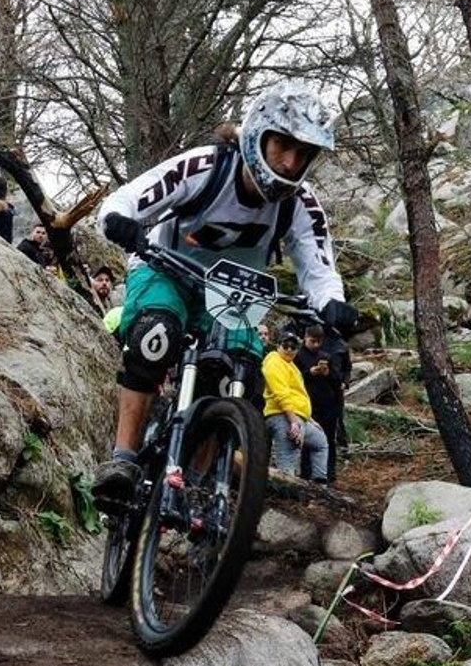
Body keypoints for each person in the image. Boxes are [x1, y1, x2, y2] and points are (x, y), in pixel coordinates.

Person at [91, 80, 356, 508]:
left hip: (234, 293)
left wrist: (332, 304)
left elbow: (318, 265)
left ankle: (195, 488)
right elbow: (128, 198)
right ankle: (122, 459)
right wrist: (122, 221)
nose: (290, 163)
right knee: (154, 337)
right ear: (257, 136)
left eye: (303, 153)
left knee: (238, 372)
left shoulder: (301, 204)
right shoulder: (205, 167)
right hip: (166, 269)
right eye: (282, 147)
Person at [260, 328, 331, 482]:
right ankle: (284, 500)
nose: (290, 350)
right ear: (278, 345)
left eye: (294, 347)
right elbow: (281, 394)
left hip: (300, 417)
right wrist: (293, 422)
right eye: (286, 346)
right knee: (288, 467)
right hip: (282, 416)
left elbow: (298, 396)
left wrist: (310, 419)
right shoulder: (273, 362)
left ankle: (319, 486)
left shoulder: (291, 366)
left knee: (320, 443)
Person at [295, 322, 350, 483]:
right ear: (305, 338)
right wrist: (309, 373)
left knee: (328, 441)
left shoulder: (326, 356)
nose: (316, 345)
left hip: (328, 404)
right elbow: (294, 379)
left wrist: (328, 373)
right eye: (313, 341)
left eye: (319, 342)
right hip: (308, 405)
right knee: (307, 442)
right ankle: (306, 474)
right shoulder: (298, 356)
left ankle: (328, 474)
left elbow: (337, 381)